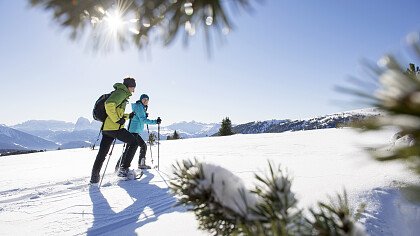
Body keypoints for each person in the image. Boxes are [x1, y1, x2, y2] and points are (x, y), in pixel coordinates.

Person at [90, 77, 138, 184]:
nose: (134, 90)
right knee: (134, 142)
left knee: (102, 154)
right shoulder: (121, 93)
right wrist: (117, 120)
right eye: (133, 87)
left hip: (107, 128)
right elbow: (109, 105)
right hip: (114, 128)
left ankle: (94, 178)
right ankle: (123, 169)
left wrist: (127, 116)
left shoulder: (120, 93)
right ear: (129, 86)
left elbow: (116, 112)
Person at [126, 94, 162, 169]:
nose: (145, 101)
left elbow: (140, 118)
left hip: (133, 130)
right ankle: (139, 164)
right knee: (142, 146)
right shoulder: (139, 107)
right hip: (134, 131)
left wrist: (144, 114)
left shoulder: (141, 107)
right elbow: (143, 120)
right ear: (141, 100)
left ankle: (121, 167)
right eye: (144, 99)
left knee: (129, 149)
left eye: (147, 100)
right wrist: (155, 121)